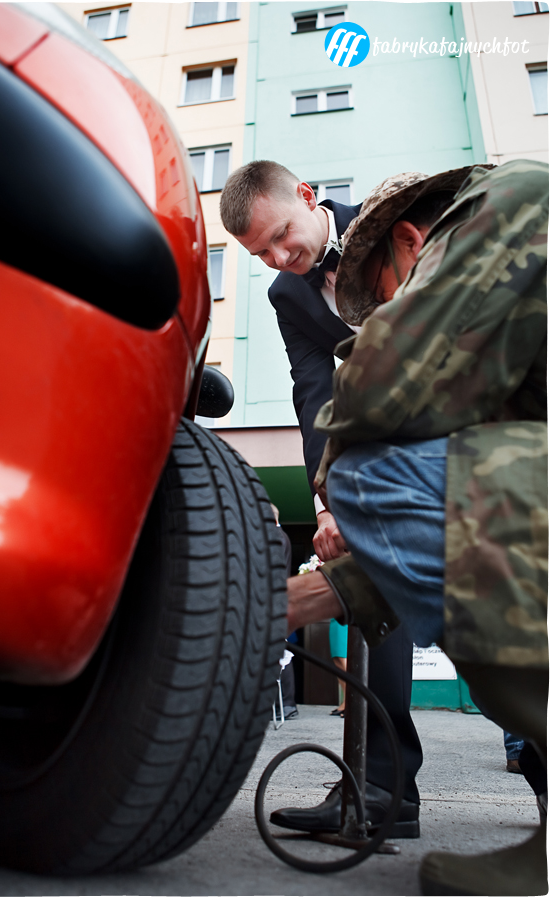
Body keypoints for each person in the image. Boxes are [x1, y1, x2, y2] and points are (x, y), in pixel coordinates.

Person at [287, 159, 548, 895]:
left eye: (395, 303)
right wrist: (302, 598)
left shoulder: (515, 194)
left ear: (413, 241)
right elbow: (477, 515)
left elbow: (384, 386)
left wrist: (334, 483)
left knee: (373, 470)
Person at [220, 161, 422, 839]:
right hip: (388, 440)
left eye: (281, 236)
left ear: (307, 197)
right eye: (260, 255)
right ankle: (385, 788)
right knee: (374, 590)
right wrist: (328, 503)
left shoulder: (396, 224)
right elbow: (315, 398)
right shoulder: (288, 296)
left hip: (477, 422)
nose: (279, 258)